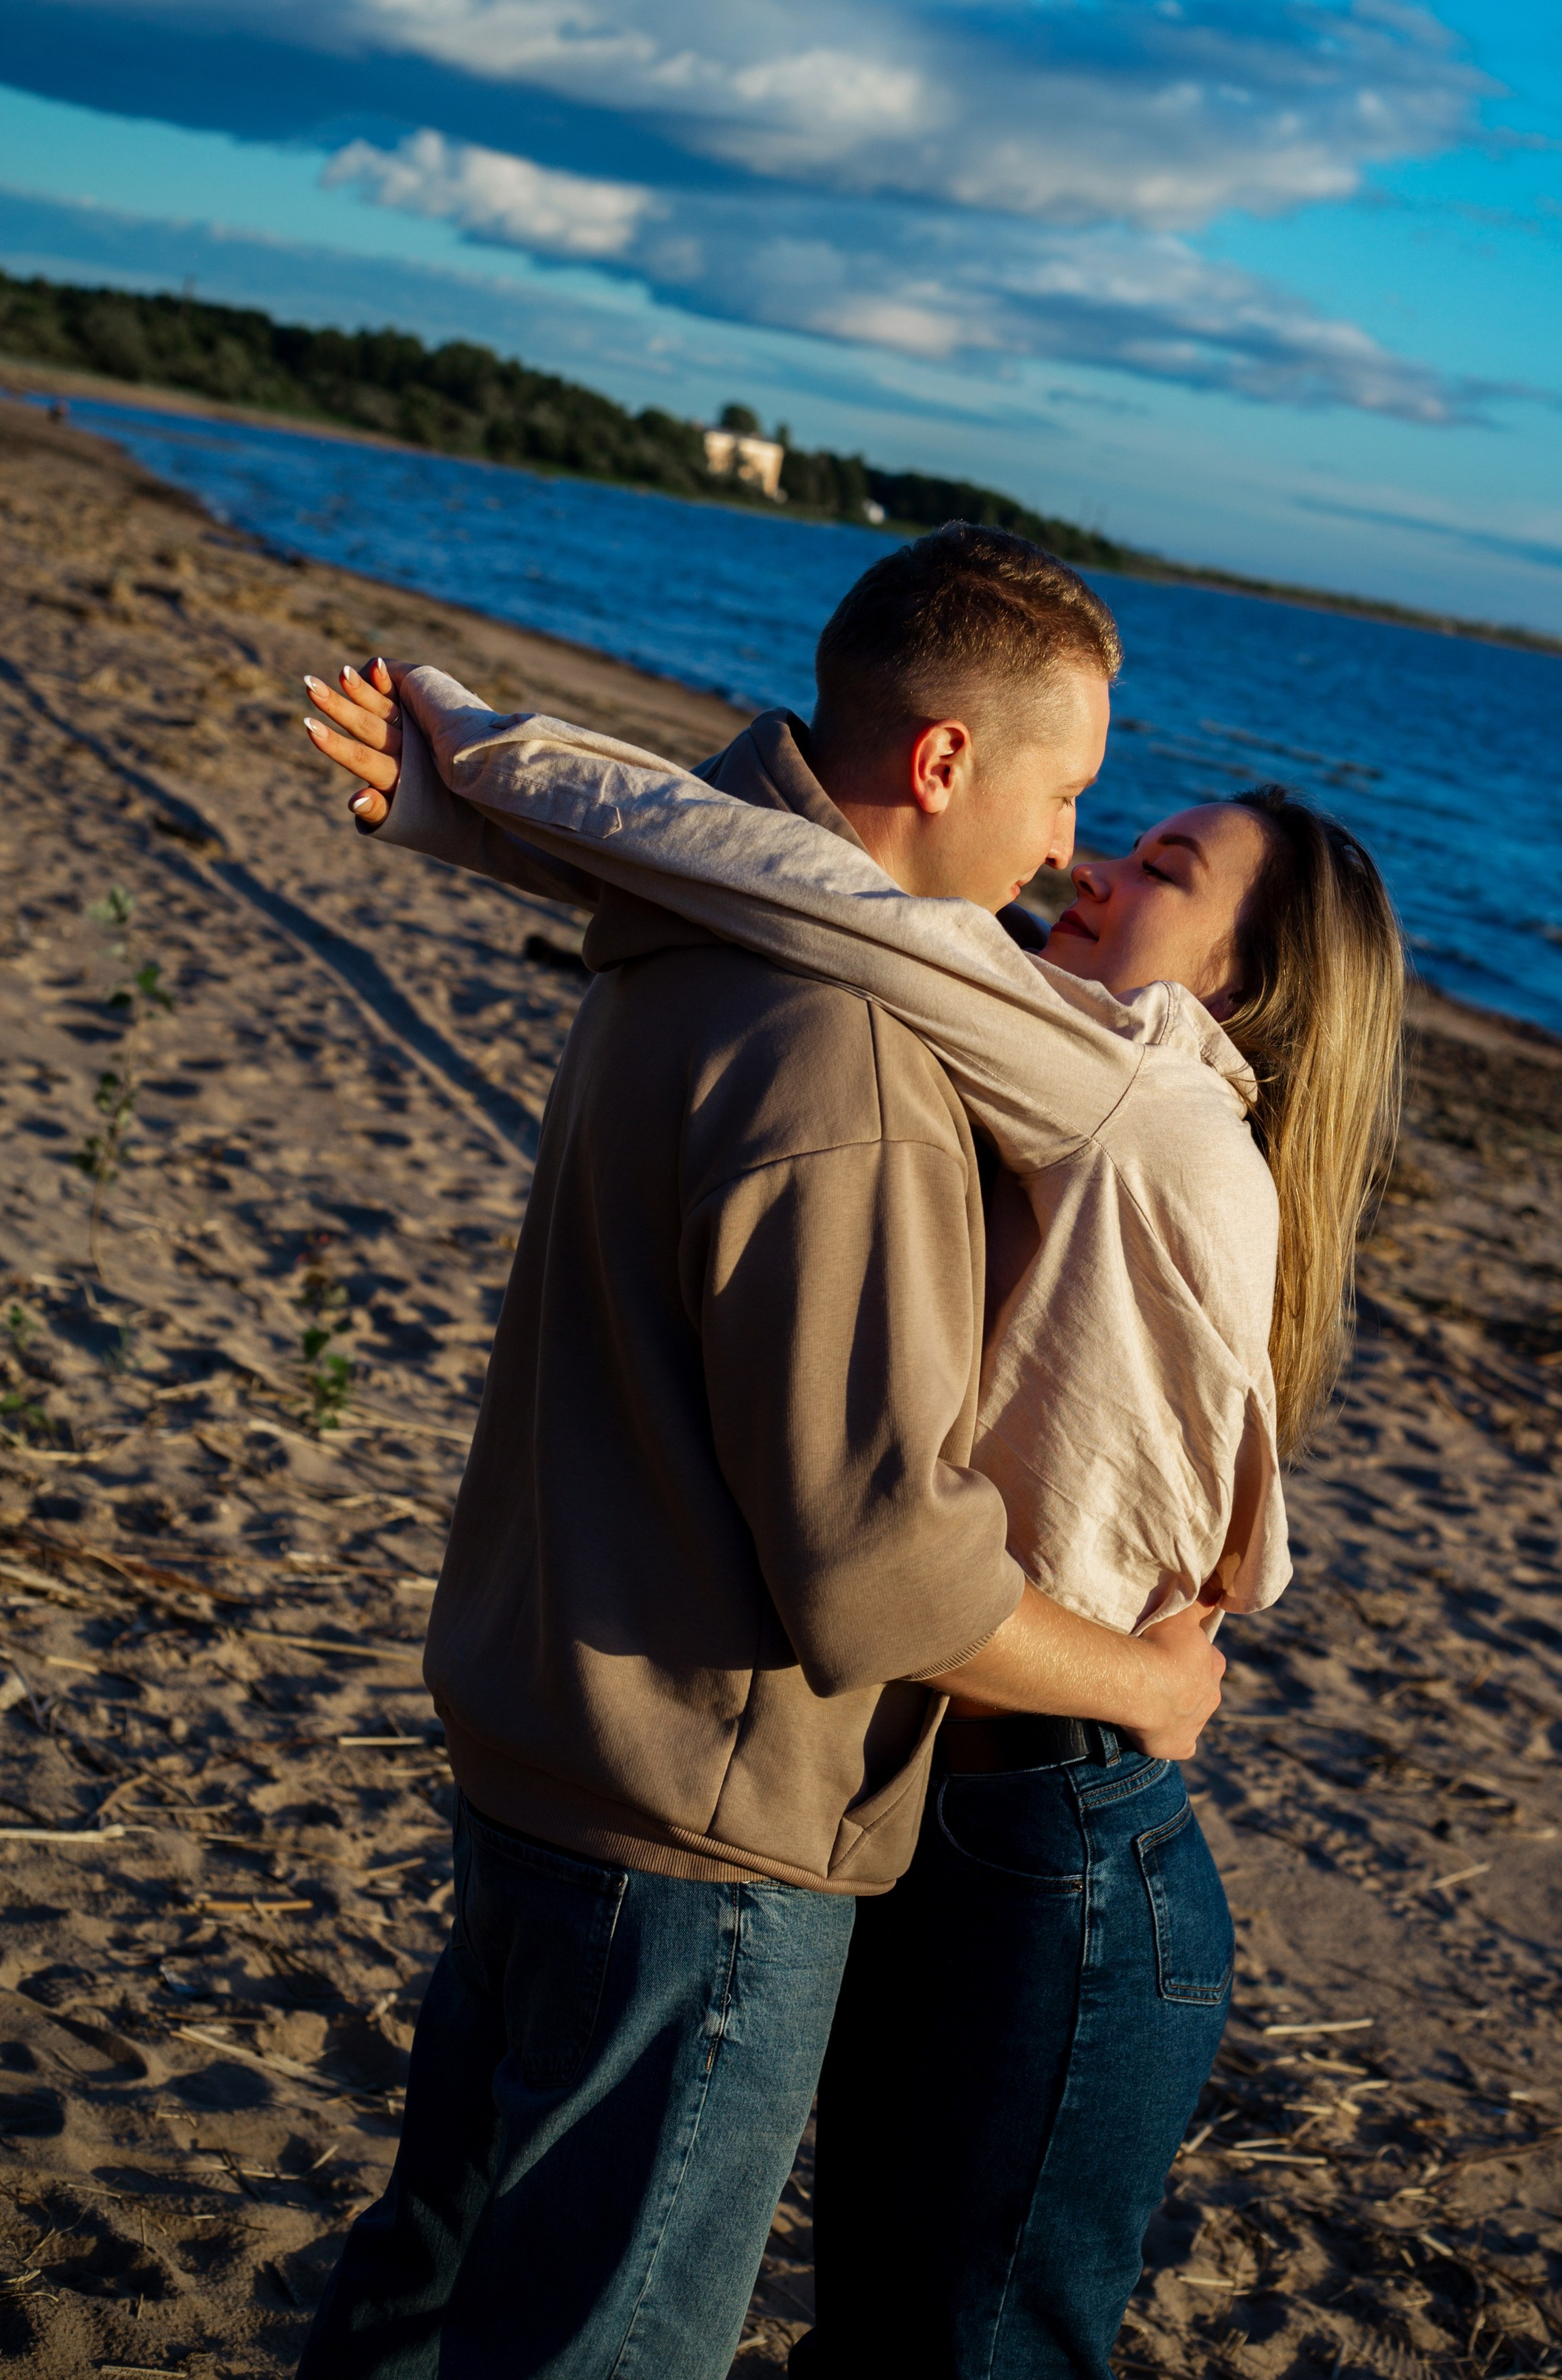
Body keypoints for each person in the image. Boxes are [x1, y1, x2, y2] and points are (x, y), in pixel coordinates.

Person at [302, 525, 1405, 2379]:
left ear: (1232, 993)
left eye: (1147, 859)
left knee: (463, 2305)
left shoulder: (785, 986)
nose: (1077, 848)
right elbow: (877, 1558)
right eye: (1081, 803)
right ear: (950, 762)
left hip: (683, 1763)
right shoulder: (860, 1047)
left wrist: (479, 778)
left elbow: (756, 860)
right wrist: (1145, 1679)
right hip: (714, 1812)